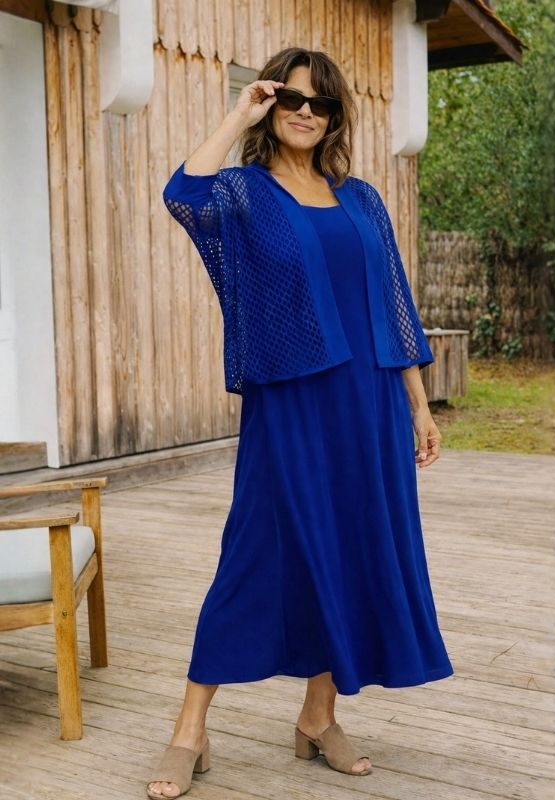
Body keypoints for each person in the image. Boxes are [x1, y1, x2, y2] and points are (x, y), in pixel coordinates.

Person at [147, 46, 453, 800]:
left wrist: (418, 405)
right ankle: (189, 731)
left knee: (349, 549)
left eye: (320, 103)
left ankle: (319, 716)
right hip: (289, 401)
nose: (305, 112)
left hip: (370, 402)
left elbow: (394, 305)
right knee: (255, 548)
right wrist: (238, 114)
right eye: (290, 99)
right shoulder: (245, 192)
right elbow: (183, 194)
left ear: (335, 116)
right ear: (270, 104)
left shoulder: (362, 200)